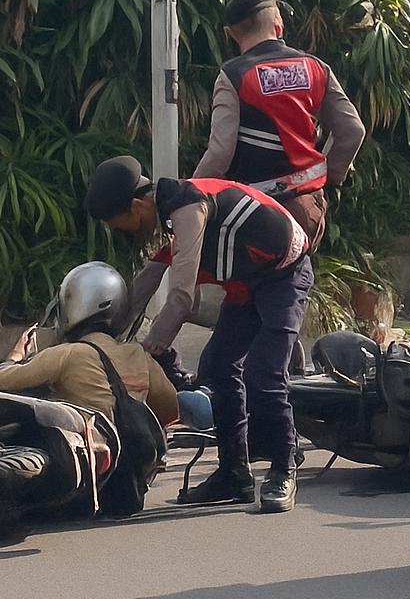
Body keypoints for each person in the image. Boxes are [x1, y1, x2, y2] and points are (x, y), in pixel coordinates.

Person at [86, 155, 312, 513]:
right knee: (217, 367)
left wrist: (150, 347)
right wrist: (104, 341)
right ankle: (234, 474)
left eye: (121, 225)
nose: (124, 233)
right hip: (248, 285)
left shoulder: (188, 209)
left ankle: (283, 467)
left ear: (136, 206)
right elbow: (144, 285)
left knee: (265, 373)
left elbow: (182, 298)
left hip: (285, 274)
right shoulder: (170, 217)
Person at [192, 0, 366, 249]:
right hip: (307, 209)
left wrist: (191, 193)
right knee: (297, 273)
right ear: (278, 21)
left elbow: (220, 154)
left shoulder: (233, 76)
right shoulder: (315, 68)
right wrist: (329, 175)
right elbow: (352, 131)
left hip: (255, 214)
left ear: (229, 33)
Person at [0, 262, 180, 428]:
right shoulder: (139, 355)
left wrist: (15, 356)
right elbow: (170, 409)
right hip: (136, 454)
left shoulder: (68, 354)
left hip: (92, 452)